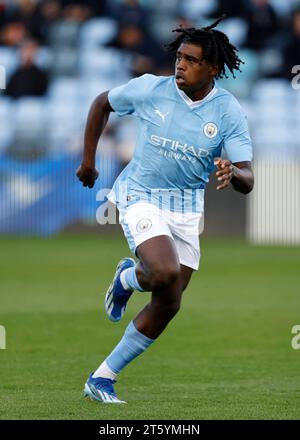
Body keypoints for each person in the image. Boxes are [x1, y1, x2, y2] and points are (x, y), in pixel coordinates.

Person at [76, 16, 254, 404]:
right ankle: (129, 279)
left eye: (191, 60)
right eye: (179, 57)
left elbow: (248, 178)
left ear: (213, 69)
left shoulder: (228, 112)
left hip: (186, 209)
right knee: (164, 270)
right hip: (141, 193)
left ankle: (102, 378)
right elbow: (101, 103)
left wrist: (232, 172)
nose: (180, 65)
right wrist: (89, 161)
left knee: (170, 301)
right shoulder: (151, 90)